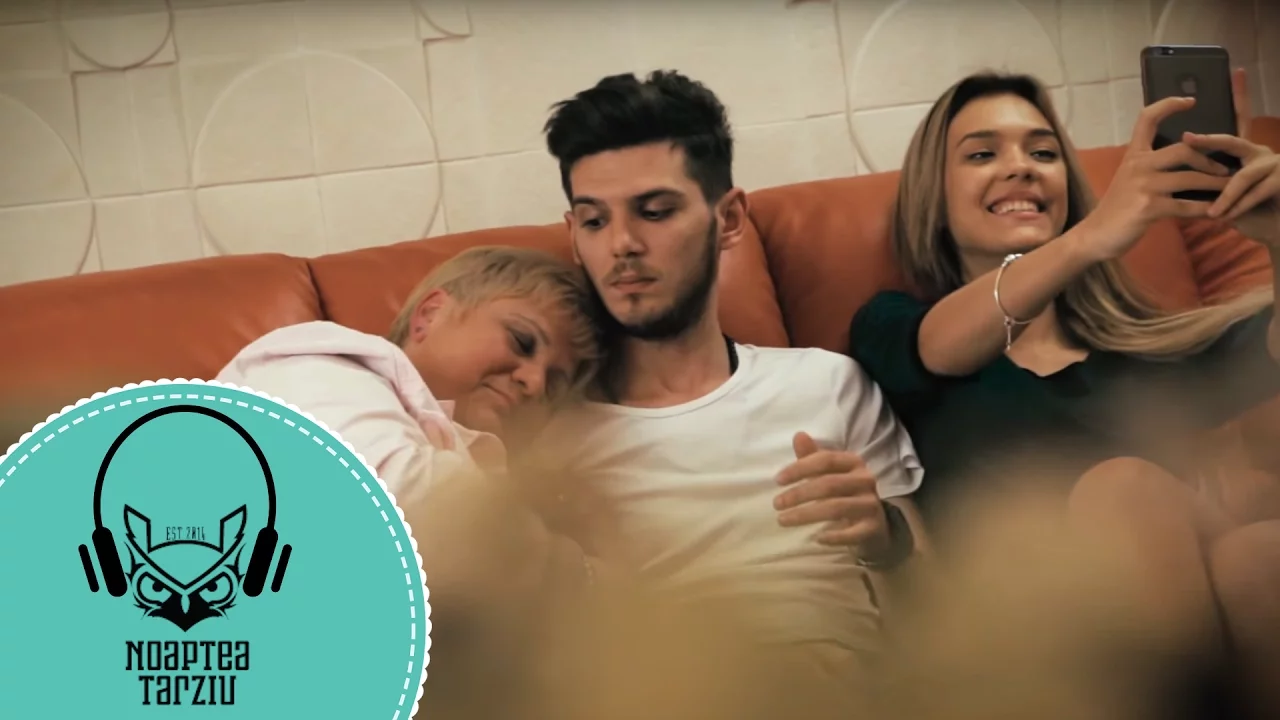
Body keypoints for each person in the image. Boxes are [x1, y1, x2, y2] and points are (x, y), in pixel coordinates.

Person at [847, 69, 1280, 717]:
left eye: (1043, 152)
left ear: (1066, 190)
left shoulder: (1143, 348)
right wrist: (1092, 237)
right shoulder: (896, 328)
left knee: (1258, 555)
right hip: (1020, 633)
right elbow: (940, 347)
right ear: (933, 199)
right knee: (1124, 487)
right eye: (982, 154)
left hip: (1176, 628)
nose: (1021, 167)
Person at [528, 69, 927, 714]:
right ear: (572, 233)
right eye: (595, 221)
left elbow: (940, 610)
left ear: (729, 217)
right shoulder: (553, 441)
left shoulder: (827, 384)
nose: (622, 245)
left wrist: (886, 538)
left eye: (655, 212)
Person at [215, 244, 601, 501]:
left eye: (555, 384)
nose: (535, 382)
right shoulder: (322, 364)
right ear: (431, 314)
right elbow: (392, 498)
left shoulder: (482, 458)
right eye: (521, 340)